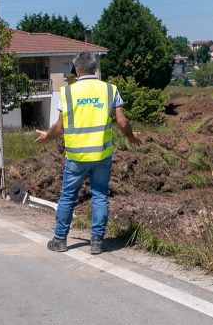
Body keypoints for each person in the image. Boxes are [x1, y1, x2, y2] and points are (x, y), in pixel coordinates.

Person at [36, 51, 141, 254]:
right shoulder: (110, 90)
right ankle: (97, 242)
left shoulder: (67, 92)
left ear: (76, 69)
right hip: (101, 155)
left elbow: (59, 127)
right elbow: (122, 121)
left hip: (76, 156)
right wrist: (130, 136)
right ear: (95, 67)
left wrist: (47, 137)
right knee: (100, 195)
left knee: (67, 197)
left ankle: (59, 240)